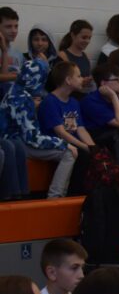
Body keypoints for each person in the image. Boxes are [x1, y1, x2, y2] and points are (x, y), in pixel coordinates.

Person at [2, 60, 80, 197]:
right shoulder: (23, 98)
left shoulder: (14, 90)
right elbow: (32, 137)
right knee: (69, 153)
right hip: (20, 143)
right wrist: (64, 144)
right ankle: (55, 197)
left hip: (16, 141)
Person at [56, 20, 95, 93]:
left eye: (89, 38)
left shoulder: (86, 56)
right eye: (84, 37)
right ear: (73, 35)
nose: (87, 41)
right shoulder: (62, 55)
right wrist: (81, 81)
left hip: (84, 96)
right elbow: (60, 83)